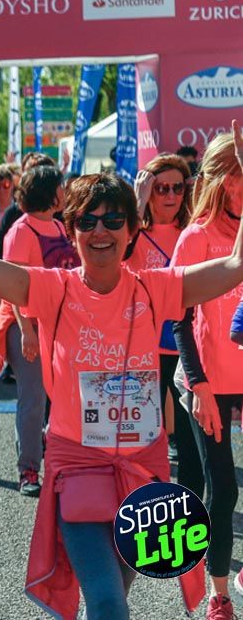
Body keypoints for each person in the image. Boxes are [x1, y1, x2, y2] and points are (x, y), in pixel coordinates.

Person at [0, 117, 239, 620]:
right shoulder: (53, 289)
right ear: (72, 232)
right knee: (108, 603)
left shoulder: (155, 287)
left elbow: (236, 266)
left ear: (132, 231)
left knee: (114, 600)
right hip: (77, 471)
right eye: (87, 221)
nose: (100, 231)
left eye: (112, 221)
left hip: (143, 474)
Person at [171, 131, 243, 618]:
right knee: (224, 489)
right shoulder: (196, 237)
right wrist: (198, 385)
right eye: (235, 172)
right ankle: (218, 594)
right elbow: (178, 316)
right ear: (218, 178)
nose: (241, 183)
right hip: (206, 378)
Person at [0, 162, 75, 496]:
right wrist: (26, 331)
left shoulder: (59, 226)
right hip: (27, 324)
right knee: (33, 399)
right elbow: (14, 288)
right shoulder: (21, 231)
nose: (65, 192)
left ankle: (55, 460)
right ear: (50, 192)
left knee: (61, 398)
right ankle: (28, 470)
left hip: (58, 324)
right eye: (61, 186)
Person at [129, 155, 201, 499]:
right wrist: (136, 202)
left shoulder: (193, 231)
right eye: (161, 188)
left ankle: (187, 508)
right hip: (145, 346)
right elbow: (114, 262)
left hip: (188, 345)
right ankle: (148, 503)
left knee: (188, 435)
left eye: (177, 187)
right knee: (145, 433)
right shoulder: (132, 233)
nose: (170, 195)